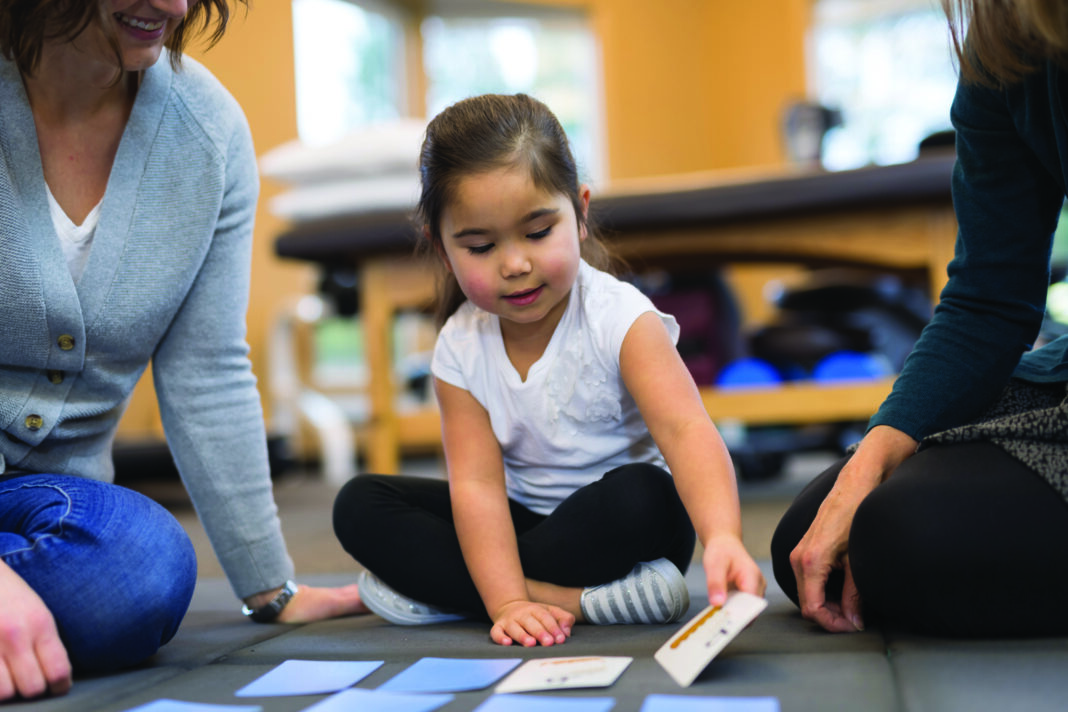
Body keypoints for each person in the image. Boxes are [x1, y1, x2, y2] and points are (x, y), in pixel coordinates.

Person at [0, 0, 367, 701]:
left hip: (47, 496)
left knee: (142, 570)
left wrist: (270, 584)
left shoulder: (208, 131)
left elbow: (208, 370)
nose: (172, 5)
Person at [333, 93, 765, 649]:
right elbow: (478, 486)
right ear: (442, 251)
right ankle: (566, 600)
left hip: (620, 529)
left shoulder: (621, 317)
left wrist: (723, 536)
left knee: (646, 494)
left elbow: (687, 432)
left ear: (580, 213)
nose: (515, 264)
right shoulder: (458, 346)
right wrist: (506, 602)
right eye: (481, 246)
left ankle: (442, 591)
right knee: (359, 504)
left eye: (538, 233)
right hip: (525, 529)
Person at [771, 0, 1068, 637]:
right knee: (810, 537)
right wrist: (872, 458)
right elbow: (989, 298)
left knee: (905, 539)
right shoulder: (1005, 41)